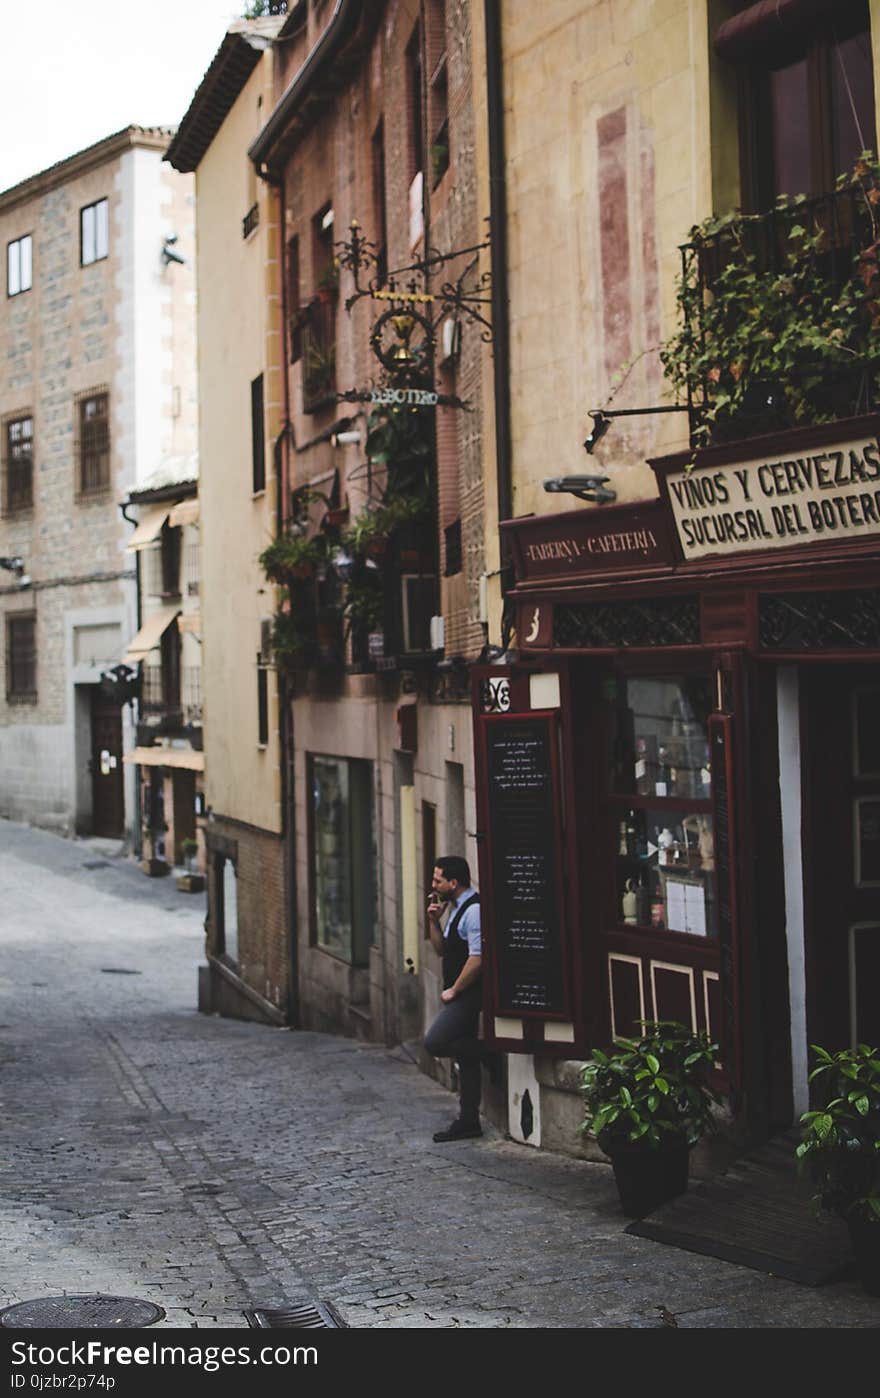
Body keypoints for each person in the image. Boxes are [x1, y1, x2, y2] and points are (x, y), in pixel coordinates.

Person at [424, 854, 499, 1142]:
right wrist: (433, 922)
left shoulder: (474, 910)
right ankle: (469, 1120)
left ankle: (488, 1051)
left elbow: (478, 959)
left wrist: (455, 989)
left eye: (437, 880)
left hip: (470, 994)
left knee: (436, 1042)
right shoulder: (454, 908)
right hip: (460, 992)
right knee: (463, 1057)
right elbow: (442, 949)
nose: (433, 885)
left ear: (453, 883)